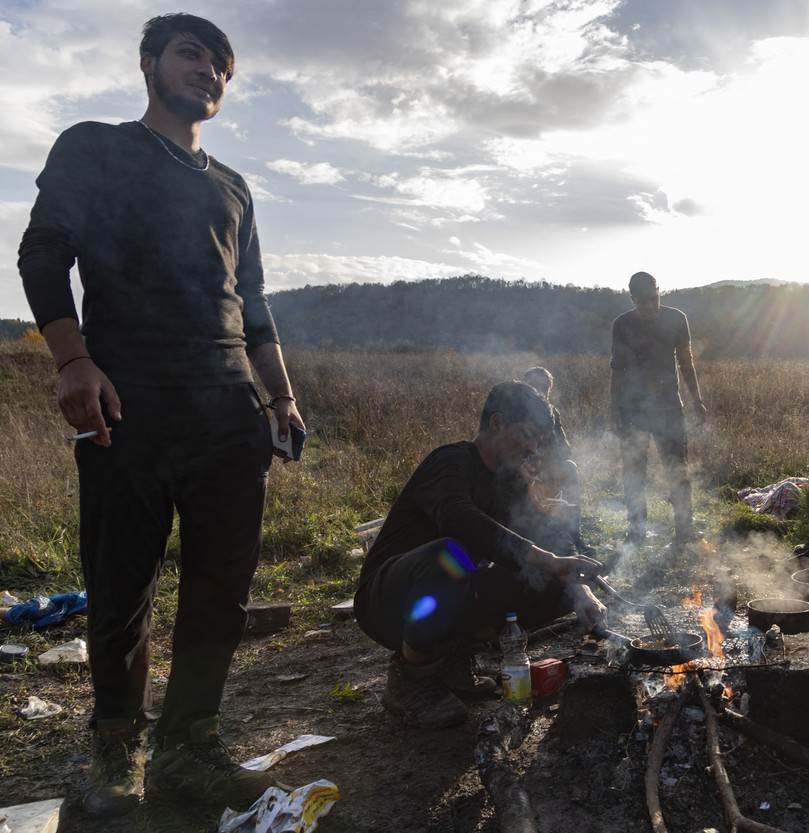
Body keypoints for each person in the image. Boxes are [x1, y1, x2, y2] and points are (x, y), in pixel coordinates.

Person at [16, 14, 301, 816]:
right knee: (119, 587)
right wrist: (74, 361)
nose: (208, 72)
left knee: (222, 592)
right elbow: (43, 251)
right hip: (126, 406)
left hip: (228, 412)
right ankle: (116, 749)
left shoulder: (233, 187)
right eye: (191, 55)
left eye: (221, 67)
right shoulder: (95, 148)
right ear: (149, 65)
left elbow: (254, 304)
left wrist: (280, 396)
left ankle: (190, 745)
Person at [354, 382, 605, 729]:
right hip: (388, 600)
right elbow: (460, 520)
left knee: (557, 586)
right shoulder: (451, 460)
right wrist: (547, 559)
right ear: (497, 424)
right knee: (450, 554)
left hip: (452, 593)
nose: (532, 449)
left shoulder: (510, 480)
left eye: (538, 441)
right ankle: (411, 678)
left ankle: (453, 657)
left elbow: (546, 534)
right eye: (526, 435)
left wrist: (579, 587)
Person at [610, 272, 707, 551]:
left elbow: (686, 362)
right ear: (632, 299)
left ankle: (684, 529)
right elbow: (616, 370)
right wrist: (613, 410)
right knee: (634, 471)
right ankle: (637, 529)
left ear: (659, 291)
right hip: (632, 409)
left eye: (653, 299)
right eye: (643, 302)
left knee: (677, 468)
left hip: (668, 408)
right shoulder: (622, 324)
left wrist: (697, 400)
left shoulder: (677, 318)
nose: (650, 306)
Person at [514, 366, 587, 555]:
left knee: (569, 468)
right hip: (519, 470)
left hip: (546, 470)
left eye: (544, 387)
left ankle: (574, 534)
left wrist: (548, 461)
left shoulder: (552, 413)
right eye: (534, 386)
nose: (540, 391)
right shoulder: (514, 413)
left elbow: (565, 449)